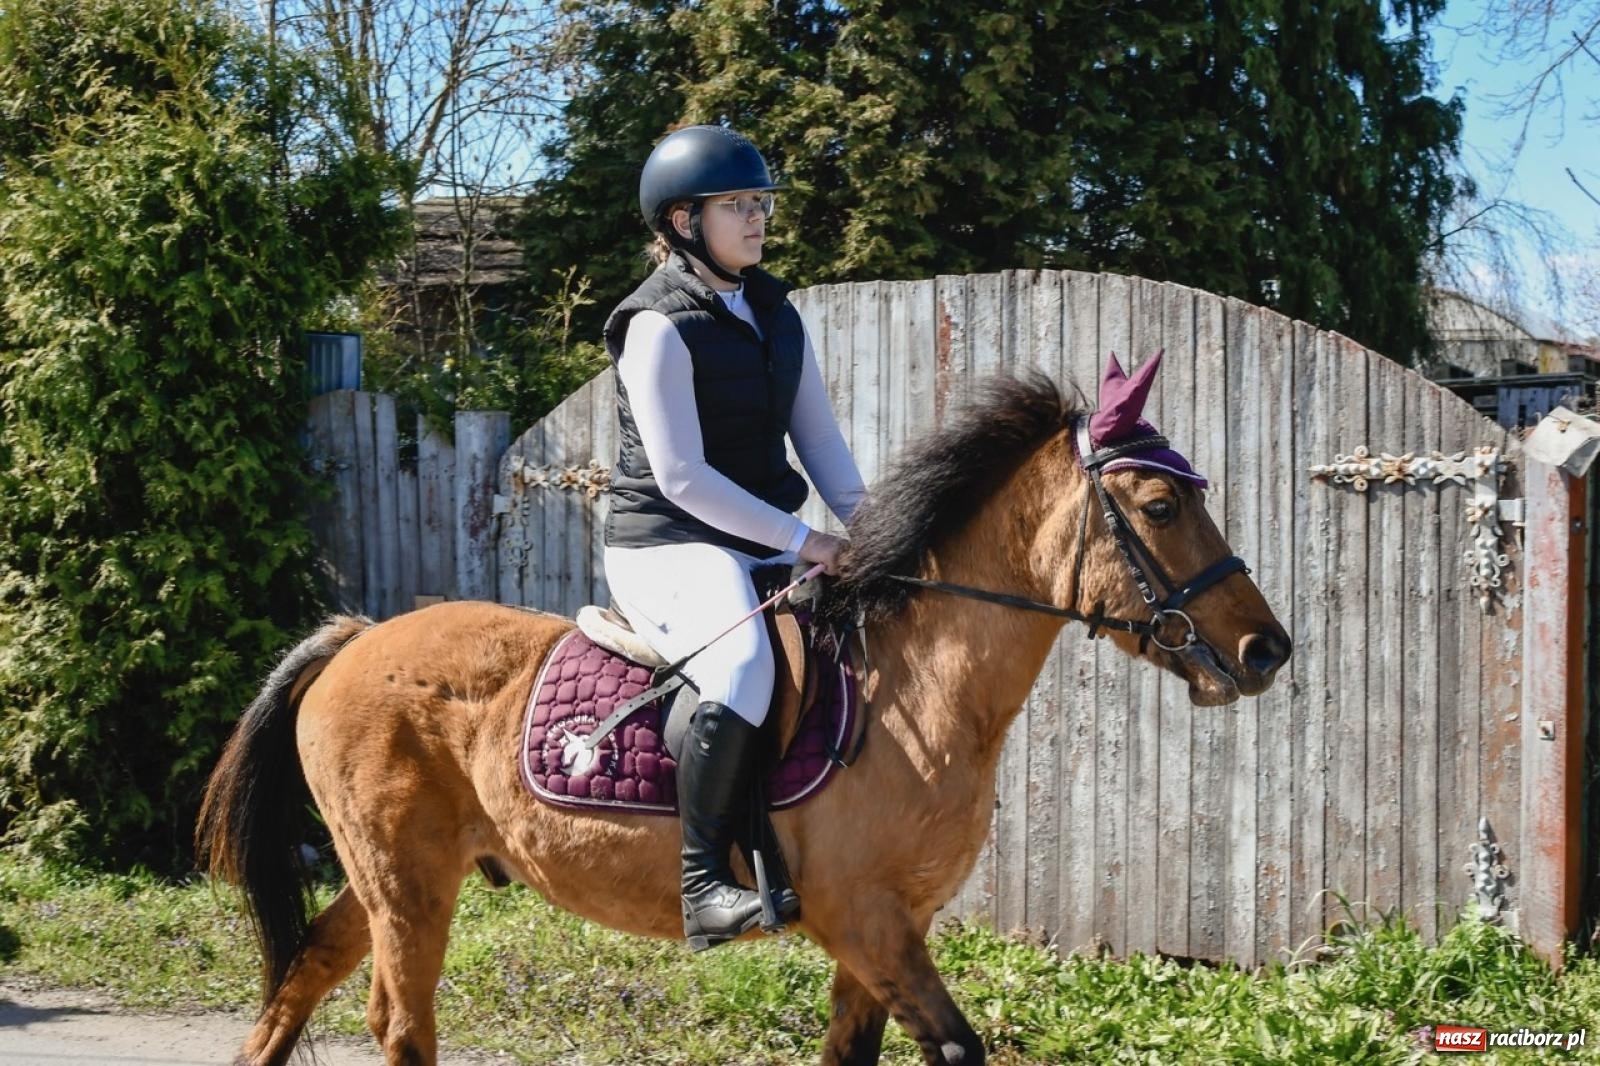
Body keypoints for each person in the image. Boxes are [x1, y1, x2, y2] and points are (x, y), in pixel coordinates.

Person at [600, 125, 867, 951]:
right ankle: (703, 884)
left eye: (760, 203)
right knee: (747, 660)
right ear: (684, 222)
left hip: (762, 537)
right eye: (738, 205)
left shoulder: (778, 314)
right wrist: (805, 541)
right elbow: (682, 477)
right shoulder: (657, 325)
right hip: (667, 544)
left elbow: (819, 444)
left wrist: (878, 534)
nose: (757, 218)